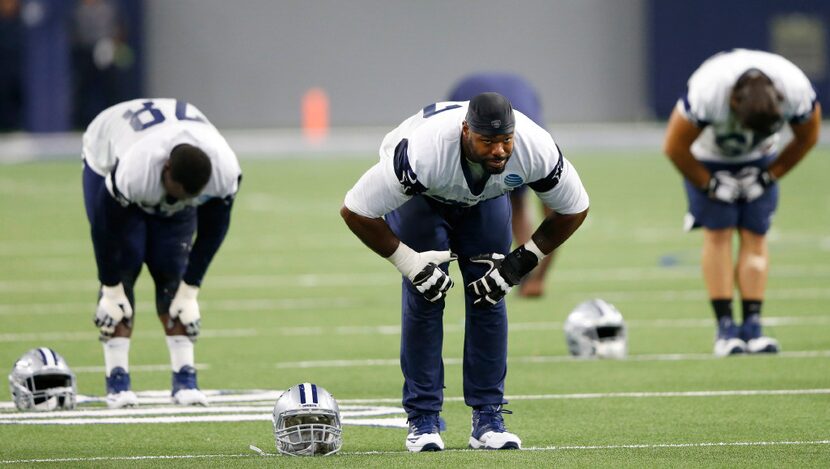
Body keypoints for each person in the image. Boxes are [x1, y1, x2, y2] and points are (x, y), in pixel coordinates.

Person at [341, 93, 589, 451]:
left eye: (505, 140)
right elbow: (355, 210)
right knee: (426, 293)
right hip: (423, 198)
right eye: (487, 141)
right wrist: (409, 263)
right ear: (464, 132)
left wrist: (521, 262)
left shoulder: (536, 147)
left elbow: (574, 209)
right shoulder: (423, 155)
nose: (499, 151)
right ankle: (423, 420)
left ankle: (488, 418)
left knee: (491, 290)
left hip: (486, 199)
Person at [82, 98, 242, 408]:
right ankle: (117, 377)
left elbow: (212, 233)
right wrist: (111, 289)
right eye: (176, 194)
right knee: (124, 261)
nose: (179, 201)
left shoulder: (224, 170)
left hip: (165, 156)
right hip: (107, 150)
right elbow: (104, 230)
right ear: (166, 169)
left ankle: (185, 376)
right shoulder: (135, 171)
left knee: (172, 268)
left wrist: (190, 289)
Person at [663, 49, 820, 357]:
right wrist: (710, 185)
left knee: (755, 235)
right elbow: (674, 146)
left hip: (761, 160)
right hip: (708, 158)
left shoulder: (796, 89)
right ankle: (725, 329)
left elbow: (807, 138)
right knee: (719, 233)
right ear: (733, 105)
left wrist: (769, 176)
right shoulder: (709, 90)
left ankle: (752, 327)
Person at [448, 73, 555, 297]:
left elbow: (556, 215)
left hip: (519, 95)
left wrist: (537, 277)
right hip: (471, 92)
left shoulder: (537, 152)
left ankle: (524, 274)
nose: (497, 151)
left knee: (517, 198)